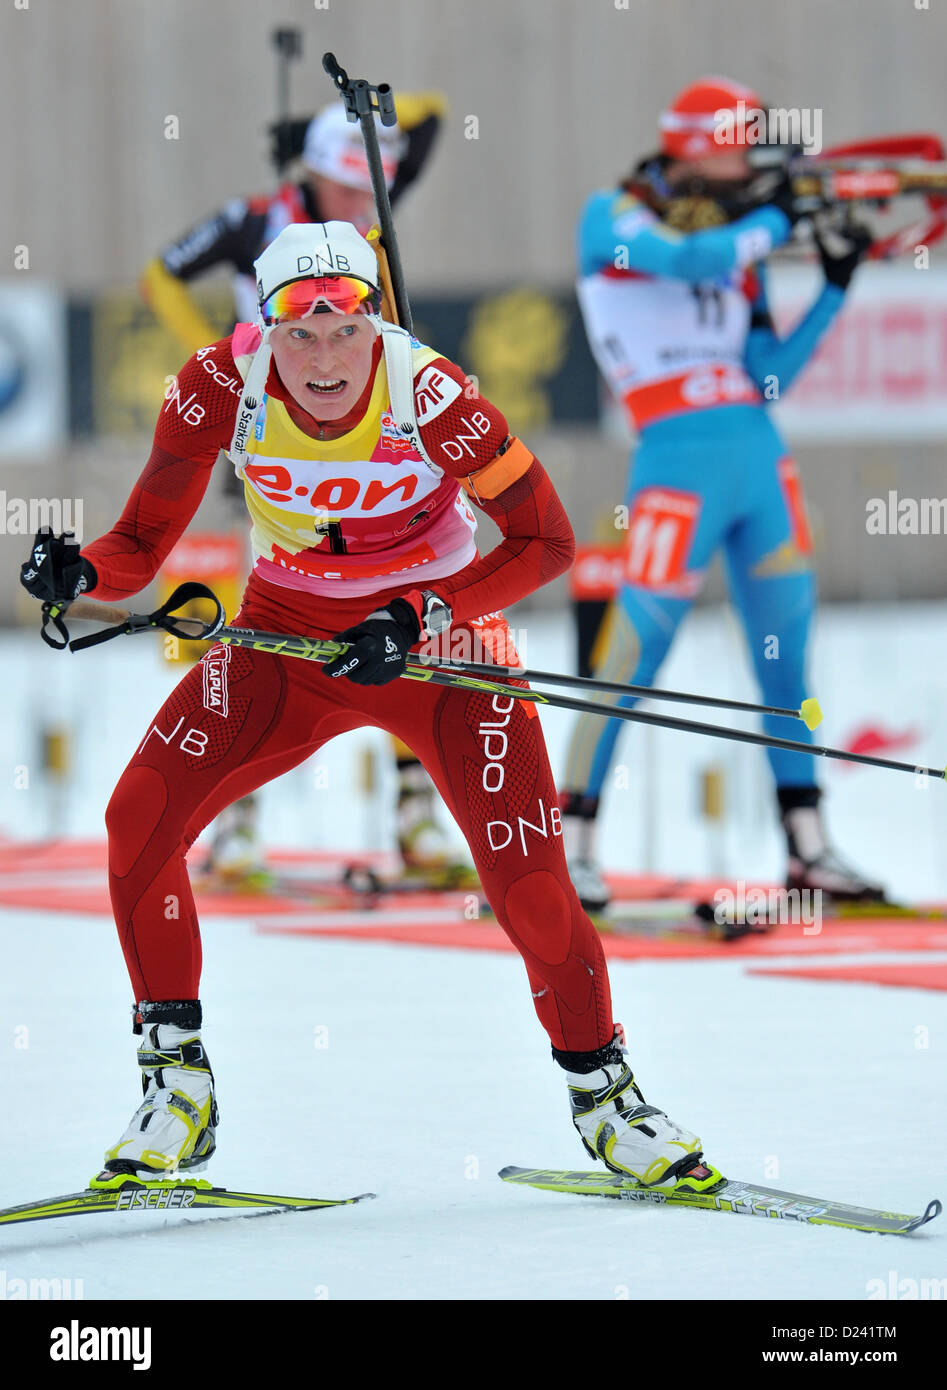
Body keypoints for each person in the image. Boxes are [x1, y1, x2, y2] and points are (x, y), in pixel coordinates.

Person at [20, 222, 721, 1195]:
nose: (320, 357)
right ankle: (175, 1088)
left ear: (373, 320)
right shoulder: (217, 386)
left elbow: (546, 541)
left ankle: (608, 1098)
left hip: (442, 650)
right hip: (287, 642)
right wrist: (83, 568)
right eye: (296, 333)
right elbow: (141, 539)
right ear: (262, 330)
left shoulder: (429, 393)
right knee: (140, 815)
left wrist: (424, 610)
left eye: (341, 328)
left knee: (526, 885)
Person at [560, 77, 882, 911]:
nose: (754, 164)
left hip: (756, 460)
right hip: (675, 465)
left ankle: (809, 848)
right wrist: (777, 219)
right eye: (744, 148)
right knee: (634, 656)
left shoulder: (741, 246)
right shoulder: (615, 214)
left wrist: (835, 288)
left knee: (788, 660)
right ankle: (573, 841)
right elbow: (687, 258)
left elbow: (766, 376)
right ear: (700, 145)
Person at [141, 94, 464, 882]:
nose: (362, 202)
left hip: (361, 442)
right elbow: (162, 273)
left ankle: (415, 813)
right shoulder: (257, 219)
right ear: (314, 173)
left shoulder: (372, 221)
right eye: (347, 186)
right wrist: (217, 361)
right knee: (242, 604)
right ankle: (232, 818)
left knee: (394, 602)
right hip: (264, 439)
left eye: (368, 188)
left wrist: (370, 105)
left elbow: (427, 127)